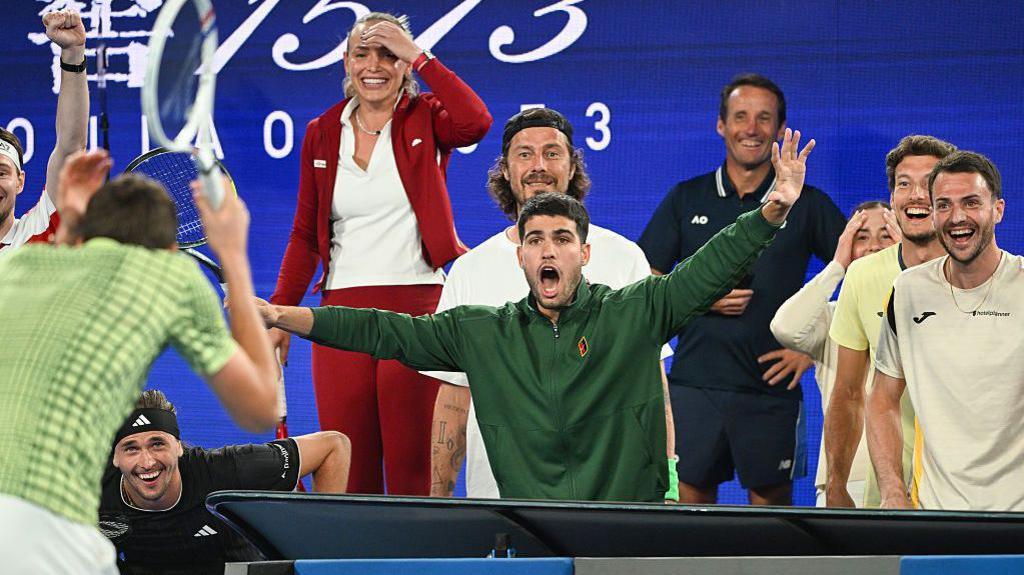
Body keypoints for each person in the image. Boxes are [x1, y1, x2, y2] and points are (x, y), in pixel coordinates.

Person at [255, 129, 815, 502]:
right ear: (519, 254)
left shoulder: (638, 308)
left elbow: (710, 266)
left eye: (563, 239)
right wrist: (287, 314)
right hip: (528, 529)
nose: (549, 250)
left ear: (585, 252)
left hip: (626, 524)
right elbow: (381, 330)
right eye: (537, 240)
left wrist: (773, 210)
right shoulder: (481, 330)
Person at [0, 150, 279, 574]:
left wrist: (72, 219)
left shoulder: (20, 264)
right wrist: (234, 258)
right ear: (169, 248)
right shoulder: (168, 278)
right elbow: (261, 409)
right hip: (48, 526)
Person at [268, 11, 492, 496]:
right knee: (350, 471)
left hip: (418, 309)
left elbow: (477, 121)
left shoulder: (427, 117)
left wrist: (420, 54)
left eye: (388, 54)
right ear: (346, 63)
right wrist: (280, 314)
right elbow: (306, 233)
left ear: (405, 65)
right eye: (362, 53)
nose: (374, 65)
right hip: (339, 317)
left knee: (416, 469)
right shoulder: (322, 131)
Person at [423, 108, 676, 501]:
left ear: (573, 166)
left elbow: (653, 383)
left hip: (609, 494)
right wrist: (438, 499)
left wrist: (669, 480)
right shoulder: (470, 270)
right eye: (524, 154)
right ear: (505, 171)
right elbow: (455, 398)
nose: (538, 166)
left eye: (552, 153)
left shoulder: (624, 257)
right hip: (499, 501)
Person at [639, 74, 845, 505]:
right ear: (721, 125)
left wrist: (812, 347)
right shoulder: (686, 198)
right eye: (740, 116)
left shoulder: (807, 203)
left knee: (772, 523)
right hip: (694, 383)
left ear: (779, 128)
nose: (751, 128)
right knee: (688, 513)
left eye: (763, 118)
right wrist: (699, 297)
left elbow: (863, 277)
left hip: (771, 388)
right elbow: (645, 282)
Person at [868, 151, 1024, 511]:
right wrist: (892, 491)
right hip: (935, 515)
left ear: (997, 209)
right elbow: (881, 398)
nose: (957, 218)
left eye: (971, 203)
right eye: (944, 205)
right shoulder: (907, 292)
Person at [825, 135, 956, 507]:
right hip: (889, 497)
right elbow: (848, 394)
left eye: (929, 183)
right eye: (903, 184)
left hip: (975, 493)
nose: (916, 195)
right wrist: (837, 484)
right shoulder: (864, 275)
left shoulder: (985, 274)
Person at [100, 390, 349, 575]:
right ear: (115, 458)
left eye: (157, 444)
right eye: (131, 449)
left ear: (178, 447)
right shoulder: (89, 493)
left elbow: (333, 446)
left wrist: (316, 560)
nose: (147, 462)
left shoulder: (225, 469)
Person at [770, 201, 899, 506]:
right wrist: (837, 266)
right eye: (861, 237)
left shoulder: (924, 310)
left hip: (911, 473)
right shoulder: (831, 316)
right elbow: (785, 328)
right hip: (845, 480)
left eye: (886, 236)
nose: (872, 248)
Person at [0, 9, 88, 253]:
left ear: (20, 182)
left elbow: (71, 148)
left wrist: (73, 53)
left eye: (1, 172)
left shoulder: (35, 232)